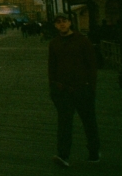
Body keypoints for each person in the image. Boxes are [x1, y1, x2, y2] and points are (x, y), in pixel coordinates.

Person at [49, 13, 100, 167]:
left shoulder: (82, 41)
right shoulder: (54, 43)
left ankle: (94, 152)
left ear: (70, 23)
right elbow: (52, 67)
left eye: (64, 21)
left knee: (89, 122)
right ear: (55, 25)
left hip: (82, 88)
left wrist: (91, 87)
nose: (62, 24)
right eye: (58, 22)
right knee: (64, 124)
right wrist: (53, 89)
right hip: (63, 90)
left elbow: (91, 65)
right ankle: (63, 155)